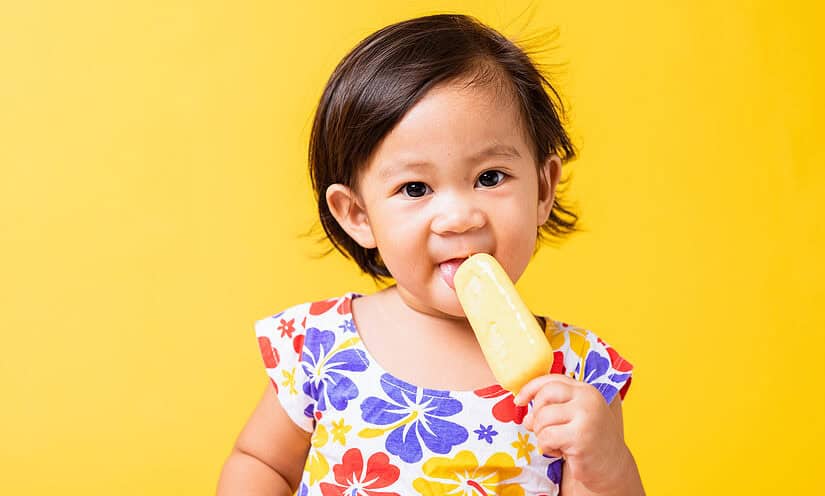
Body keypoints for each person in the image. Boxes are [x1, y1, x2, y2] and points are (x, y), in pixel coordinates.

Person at [218, 13, 644, 496]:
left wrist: (604, 462)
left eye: (490, 177)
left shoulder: (577, 374)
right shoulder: (321, 347)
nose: (459, 217)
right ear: (357, 214)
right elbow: (260, 462)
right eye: (415, 188)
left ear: (543, 188)